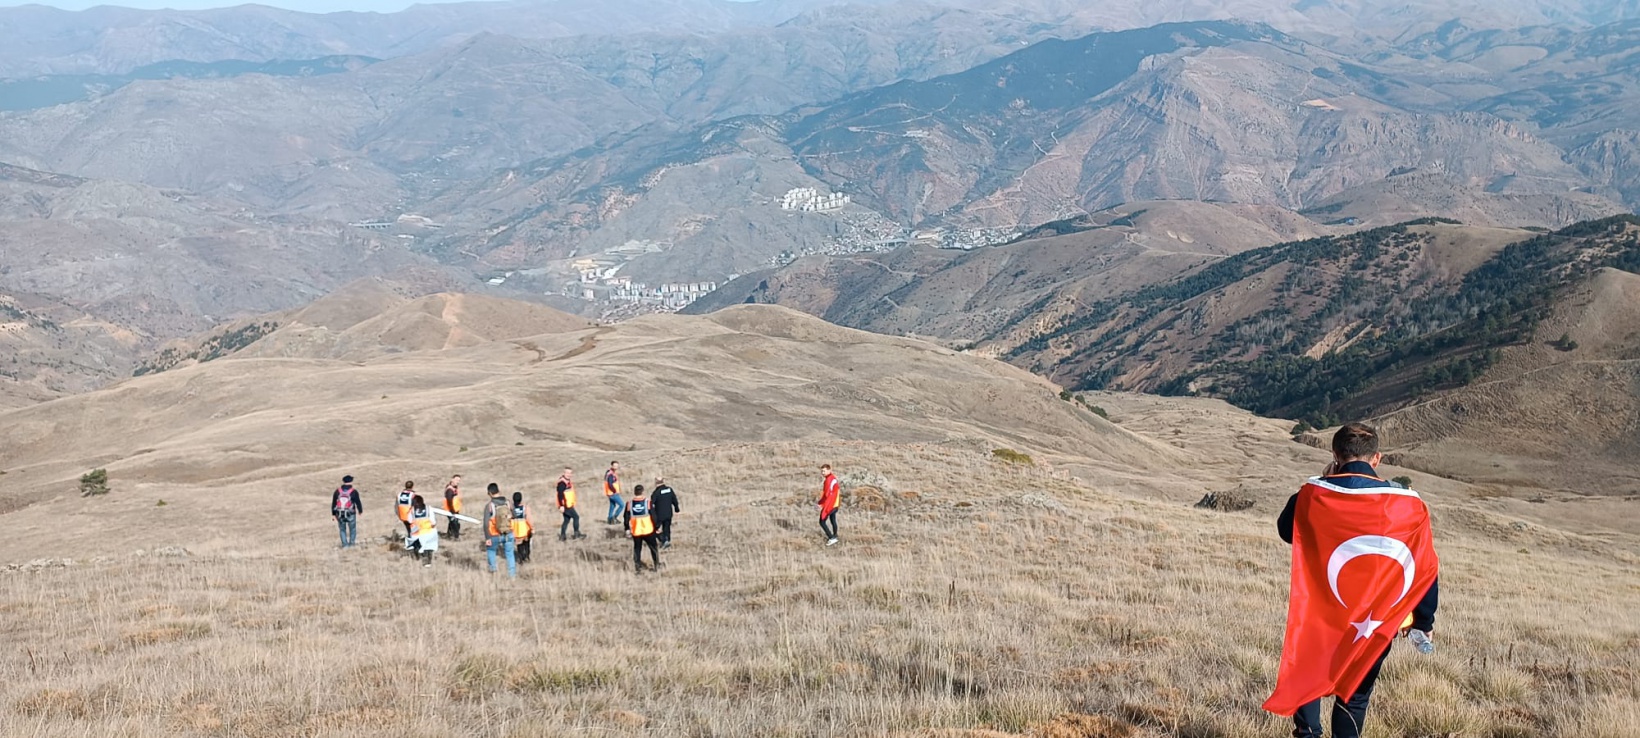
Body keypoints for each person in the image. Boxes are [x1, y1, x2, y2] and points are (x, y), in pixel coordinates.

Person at [1271, 423, 1440, 738]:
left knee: (1309, 671)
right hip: (1375, 620)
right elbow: (1425, 566)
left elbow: (1286, 531)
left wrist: (1323, 481)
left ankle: (1308, 733)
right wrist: (1423, 620)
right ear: (1377, 458)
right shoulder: (1409, 504)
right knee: (1356, 696)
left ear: (1335, 455)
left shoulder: (1313, 494)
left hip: (1322, 613)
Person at [482, 483, 517, 578]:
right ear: (499, 491)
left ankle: (493, 573)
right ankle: (512, 576)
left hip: (494, 534)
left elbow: (486, 524)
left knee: (491, 551)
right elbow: (515, 515)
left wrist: (487, 538)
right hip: (508, 532)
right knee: (510, 554)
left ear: (490, 493)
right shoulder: (508, 503)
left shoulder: (489, 506)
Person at [624, 484, 660, 574]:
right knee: (653, 548)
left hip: (636, 531)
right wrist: (656, 527)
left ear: (634, 492)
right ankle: (656, 565)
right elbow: (654, 516)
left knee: (637, 549)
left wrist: (627, 528)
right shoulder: (647, 502)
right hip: (648, 530)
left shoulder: (629, 504)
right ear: (642, 492)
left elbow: (626, 517)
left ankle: (638, 568)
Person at [406, 494, 439, 567]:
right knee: (429, 546)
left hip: (417, 533)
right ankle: (428, 561)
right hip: (429, 532)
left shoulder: (412, 510)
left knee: (418, 545)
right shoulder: (429, 508)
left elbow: (409, 520)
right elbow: (433, 521)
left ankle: (419, 556)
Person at [331, 475, 363, 548]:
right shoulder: (354, 491)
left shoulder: (337, 491)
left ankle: (345, 545)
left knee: (342, 529)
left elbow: (334, 503)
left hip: (340, 513)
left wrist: (333, 514)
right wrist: (360, 511)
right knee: (352, 529)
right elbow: (358, 502)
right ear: (351, 481)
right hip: (351, 513)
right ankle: (352, 544)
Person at [651, 476, 680, 548]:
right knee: (667, 528)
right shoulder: (669, 490)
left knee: (654, 529)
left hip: (659, 515)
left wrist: (651, 514)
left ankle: (663, 540)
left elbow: (651, 505)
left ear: (656, 483)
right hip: (669, 513)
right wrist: (677, 509)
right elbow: (674, 500)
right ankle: (667, 540)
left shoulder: (656, 493)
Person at [557, 468, 584, 541]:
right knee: (576, 517)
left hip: (568, 504)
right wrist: (561, 506)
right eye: (567, 473)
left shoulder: (567, 481)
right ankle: (576, 533)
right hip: (566, 505)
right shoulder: (562, 483)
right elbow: (560, 495)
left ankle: (562, 536)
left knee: (566, 520)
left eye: (570, 473)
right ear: (564, 473)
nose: (569, 475)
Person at [818, 464, 840, 546]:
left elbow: (827, 495)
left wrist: (821, 504)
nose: (822, 473)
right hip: (835, 504)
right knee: (833, 519)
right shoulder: (833, 478)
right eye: (822, 471)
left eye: (824, 471)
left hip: (830, 505)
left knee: (822, 521)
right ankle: (835, 535)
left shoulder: (828, 480)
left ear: (829, 470)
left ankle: (831, 538)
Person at [511, 491, 536, 564]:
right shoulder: (525, 507)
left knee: (519, 545)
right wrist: (532, 528)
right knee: (526, 544)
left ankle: (521, 558)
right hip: (525, 530)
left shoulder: (511, 508)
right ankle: (527, 556)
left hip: (516, 531)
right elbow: (529, 519)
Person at [443, 475, 464, 540]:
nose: (458, 482)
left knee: (452, 522)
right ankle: (456, 537)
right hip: (450, 510)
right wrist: (452, 511)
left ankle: (449, 535)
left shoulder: (454, 488)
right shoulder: (449, 490)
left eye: (459, 480)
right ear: (452, 479)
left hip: (455, 509)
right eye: (456, 480)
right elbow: (449, 501)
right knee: (455, 524)